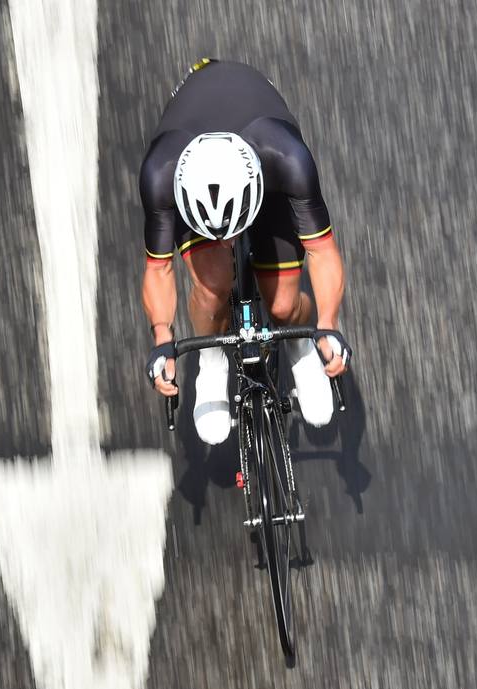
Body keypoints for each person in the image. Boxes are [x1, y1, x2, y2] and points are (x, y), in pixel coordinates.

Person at [140, 59, 350, 444]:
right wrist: (161, 338)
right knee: (212, 283)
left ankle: (299, 347)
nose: (227, 243)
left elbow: (322, 250)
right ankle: (213, 360)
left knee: (285, 305)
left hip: (261, 151)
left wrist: (328, 324)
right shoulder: (161, 172)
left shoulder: (289, 160)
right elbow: (158, 269)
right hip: (196, 160)